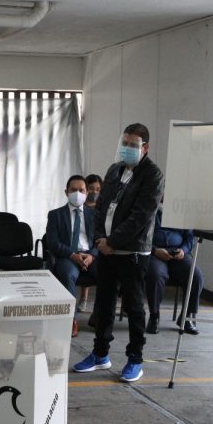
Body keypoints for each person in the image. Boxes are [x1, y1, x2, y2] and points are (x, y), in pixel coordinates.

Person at [73, 123, 164, 382]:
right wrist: (101, 238)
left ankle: (135, 359)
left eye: (132, 145)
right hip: (107, 249)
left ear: (145, 148)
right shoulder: (115, 169)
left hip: (133, 252)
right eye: (124, 143)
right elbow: (101, 206)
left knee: (134, 306)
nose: (126, 149)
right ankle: (100, 354)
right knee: (103, 303)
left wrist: (113, 241)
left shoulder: (153, 175)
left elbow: (141, 217)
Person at [45, 175, 98, 338]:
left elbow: (100, 240)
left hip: (90, 256)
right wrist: (73, 255)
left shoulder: (94, 215)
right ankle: (71, 320)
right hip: (67, 257)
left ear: (86, 192)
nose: (77, 193)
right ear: (66, 192)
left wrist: (92, 256)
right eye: (73, 190)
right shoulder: (55, 214)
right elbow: (52, 242)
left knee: (107, 273)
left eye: (81, 190)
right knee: (68, 275)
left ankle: (99, 317)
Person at [145, 208, 203, 335]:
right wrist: (155, 250)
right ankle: (154, 316)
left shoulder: (181, 211)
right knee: (155, 275)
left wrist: (183, 250)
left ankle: (186, 318)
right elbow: (141, 237)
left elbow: (189, 238)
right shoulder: (149, 208)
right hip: (156, 253)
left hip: (178, 254)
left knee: (196, 276)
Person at [78, 173, 103, 313]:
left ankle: (98, 312)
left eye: (98, 189)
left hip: (96, 249)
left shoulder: (102, 209)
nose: (95, 192)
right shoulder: (79, 206)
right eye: (92, 188)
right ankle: (83, 298)